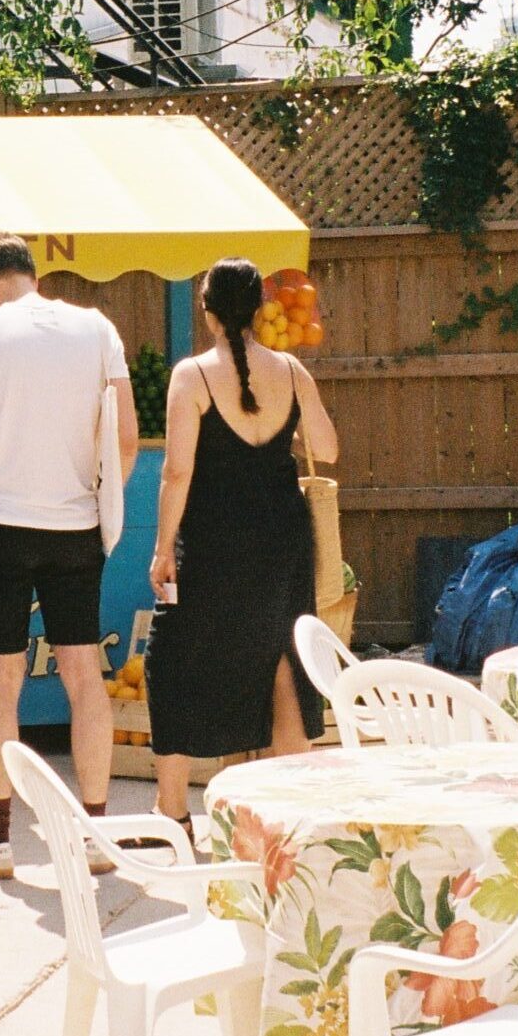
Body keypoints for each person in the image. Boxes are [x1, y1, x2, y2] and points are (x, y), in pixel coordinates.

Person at [0, 234, 136, 880]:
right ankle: (94, 832)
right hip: (77, 526)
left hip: (1, 526)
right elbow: (122, 438)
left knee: (0, 686)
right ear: (33, 273)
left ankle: (1, 841)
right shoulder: (96, 328)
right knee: (85, 678)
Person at [145, 257, 337, 829]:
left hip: (213, 537)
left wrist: (161, 548)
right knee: (280, 661)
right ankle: (290, 816)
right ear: (258, 310)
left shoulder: (193, 376)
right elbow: (327, 448)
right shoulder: (292, 370)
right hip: (282, 534)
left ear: (207, 311)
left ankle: (172, 809)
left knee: (174, 658)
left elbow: (177, 472)